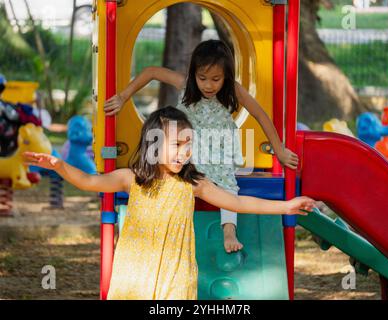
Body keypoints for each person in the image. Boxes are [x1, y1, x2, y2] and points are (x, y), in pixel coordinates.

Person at [26, 107, 313, 300]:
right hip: (134, 277)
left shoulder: (193, 183)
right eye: (177, 144)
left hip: (175, 278)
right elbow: (89, 182)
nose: (184, 152)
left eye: (189, 144)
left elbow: (237, 202)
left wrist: (286, 206)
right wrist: (59, 166)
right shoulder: (132, 179)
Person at [104, 40, 299, 254]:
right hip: (189, 150)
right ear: (194, 73)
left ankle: (229, 230)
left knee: (227, 186)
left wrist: (278, 149)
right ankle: (158, 226)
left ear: (226, 76)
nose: (208, 85)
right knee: (173, 181)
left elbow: (259, 113)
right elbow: (151, 72)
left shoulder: (232, 90)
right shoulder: (185, 84)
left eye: (216, 79)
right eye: (202, 78)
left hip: (219, 151)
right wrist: (123, 97)